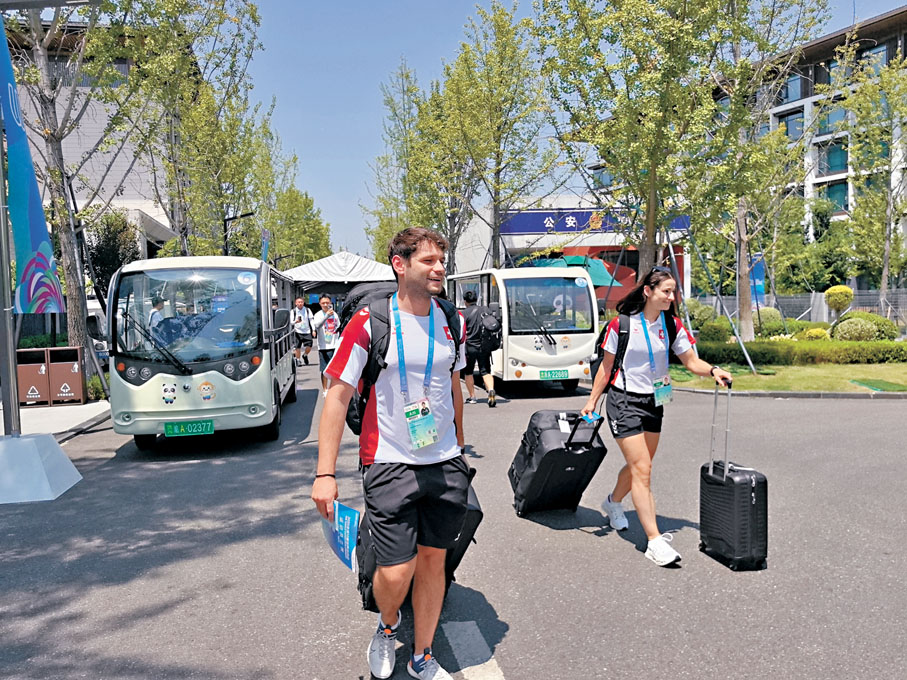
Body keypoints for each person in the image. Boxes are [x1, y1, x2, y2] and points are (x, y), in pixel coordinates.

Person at [311, 227, 468, 680]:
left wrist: (459, 444)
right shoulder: (370, 322)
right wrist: (325, 473)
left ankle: (422, 655)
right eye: (429, 261)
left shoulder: (449, 319)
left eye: (442, 259)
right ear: (400, 265)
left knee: (435, 560)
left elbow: (452, 385)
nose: (439, 267)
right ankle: (387, 624)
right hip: (389, 462)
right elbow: (337, 395)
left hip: (444, 462)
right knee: (397, 572)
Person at [581, 266, 732, 567]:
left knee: (640, 466)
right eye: (666, 291)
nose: (671, 296)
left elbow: (691, 361)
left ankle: (612, 503)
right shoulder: (621, 325)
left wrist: (713, 370)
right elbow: (606, 368)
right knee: (643, 468)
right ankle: (654, 540)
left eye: (673, 291)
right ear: (648, 291)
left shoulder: (671, 325)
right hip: (623, 401)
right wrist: (592, 400)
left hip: (654, 401)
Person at [460, 290, 496, 407]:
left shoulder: (463, 313)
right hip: (484, 346)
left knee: (468, 372)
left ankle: (472, 397)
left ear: (465, 301)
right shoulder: (485, 310)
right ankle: (490, 390)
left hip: (469, 347)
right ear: (477, 299)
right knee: (485, 371)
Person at [311, 293, 340, 398]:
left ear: (330, 303)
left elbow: (338, 326)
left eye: (327, 302)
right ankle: (325, 389)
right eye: (323, 303)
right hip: (323, 346)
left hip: (334, 345)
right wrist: (327, 315)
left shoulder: (335, 314)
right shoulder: (318, 315)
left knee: (334, 369)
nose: (325, 304)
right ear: (319, 303)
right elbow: (317, 326)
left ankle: (333, 388)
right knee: (324, 369)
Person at [293, 297, 314, 366]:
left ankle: (305, 355)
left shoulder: (307, 310)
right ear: (296, 303)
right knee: (297, 347)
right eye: (298, 302)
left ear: (303, 302)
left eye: (301, 302)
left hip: (307, 331)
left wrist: (313, 330)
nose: (300, 303)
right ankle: (298, 360)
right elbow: (290, 322)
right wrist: (295, 321)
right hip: (297, 331)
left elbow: (311, 320)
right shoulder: (293, 311)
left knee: (309, 346)